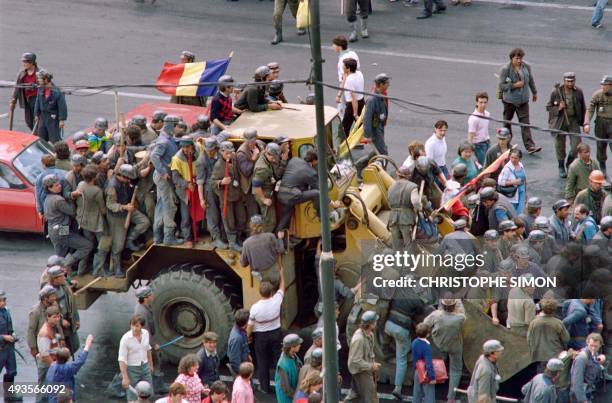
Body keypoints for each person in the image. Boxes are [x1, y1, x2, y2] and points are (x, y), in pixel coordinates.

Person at [42, 174, 94, 272]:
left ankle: (55, 272)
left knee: (59, 255)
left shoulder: (48, 198)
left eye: (59, 184)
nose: (60, 186)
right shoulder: (58, 200)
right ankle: (66, 264)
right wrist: (71, 196)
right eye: (56, 185)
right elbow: (72, 211)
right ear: (49, 188)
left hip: (53, 230)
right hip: (61, 230)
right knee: (87, 246)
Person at [106, 164, 150, 277]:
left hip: (128, 208)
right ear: (121, 176)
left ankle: (130, 240)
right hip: (117, 215)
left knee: (144, 222)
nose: (129, 180)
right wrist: (124, 207)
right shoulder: (112, 186)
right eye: (127, 178)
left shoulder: (125, 180)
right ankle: (116, 269)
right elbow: (110, 205)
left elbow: (135, 169)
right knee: (118, 246)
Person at [247, 270, 285, 394]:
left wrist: (248, 337)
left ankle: (264, 388)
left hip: (261, 337)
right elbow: (282, 288)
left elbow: (250, 326)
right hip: (276, 333)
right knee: (279, 360)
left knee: (262, 362)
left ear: (260, 293)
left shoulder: (255, 308)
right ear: (271, 292)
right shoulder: (277, 300)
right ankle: (283, 385)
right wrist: (282, 274)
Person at [497, 48, 541, 154]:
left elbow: (530, 80)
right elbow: (501, 86)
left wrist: (534, 92)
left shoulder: (526, 67)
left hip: (523, 100)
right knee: (507, 122)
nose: (519, 60)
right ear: (512, 58)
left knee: (525, 123)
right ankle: (506, 144)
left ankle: (530, 146)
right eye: (517, 58)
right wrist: (514, 85)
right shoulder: (505, 69)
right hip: (509, 101)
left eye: (520, 58)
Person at [423, 298, 465, 403]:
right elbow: (463, 312)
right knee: (455, 370)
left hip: (439, 344)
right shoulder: (460, 318)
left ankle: (430, 394)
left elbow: (425, 324)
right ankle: (451, 398)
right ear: (454, 306)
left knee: (433, 366)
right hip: (455, 346)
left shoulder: (436, 314)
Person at [546, 72, 586, 178]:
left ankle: (569, 163)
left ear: (575, 81)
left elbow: (583, 107)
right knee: (560, 144)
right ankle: (561, 166)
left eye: (572, 81)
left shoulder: (578, 92)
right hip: (560, 120)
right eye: (568, 81)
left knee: (576, 145)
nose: (570, 83)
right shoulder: (556, 92)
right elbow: (548, 107)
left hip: (573, 120)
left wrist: (584, 122)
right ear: (564, 81)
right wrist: (558, 108)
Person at [150, 115, 182, 245]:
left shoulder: (166, 138)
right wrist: (163, 172)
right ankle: (168, 237)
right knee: (169, 206)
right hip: (164, 179)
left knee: (161, 206)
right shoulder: (163, 141)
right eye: (177, 125)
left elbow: (173, 143)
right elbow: (154, 156)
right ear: (171, 125)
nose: (178, 128)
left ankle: (157, 237)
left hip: (162, 178)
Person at [170, 136, 203, 248]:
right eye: (183, 147)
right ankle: (187, 238)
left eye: (187, 147)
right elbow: (175, 178)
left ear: (192, 146)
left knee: (197, 212)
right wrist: (187, 184)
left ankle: (197, 234)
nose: (185, 149)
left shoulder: (198, 149)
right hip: (184, 190)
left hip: (197, 185)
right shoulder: (177, 159)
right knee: (185, 216)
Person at [211, 141, 244, 251]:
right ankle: (232, 243)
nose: (229, 155)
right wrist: (221, 182)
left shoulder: (234, 159)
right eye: (227, 153)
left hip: (237, 195)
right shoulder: (218, 165)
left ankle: (238, 238)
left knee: (241, 217)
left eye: (231, 153)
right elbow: (212, 182)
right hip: (226, 198)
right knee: (229, 220)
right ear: (221, 152)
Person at [345, 310, 380, 403]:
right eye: (375, 321)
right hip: (360, 372)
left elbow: (369, 354)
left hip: (365, 370)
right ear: (371, 324)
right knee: (371, 399)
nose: (376, 323)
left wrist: (373, 364)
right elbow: (355, 361)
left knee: (354, 396)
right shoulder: (359, 339)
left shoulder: (370, 335)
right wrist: (371, 366)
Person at [197, 138, 226, 248]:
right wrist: (201, 199)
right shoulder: (201, 161)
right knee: (212, 214)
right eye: (208, 150)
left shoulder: (219, 153)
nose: (209, 152)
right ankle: (216, 238)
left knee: (223, 211)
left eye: (212, 150)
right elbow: (200, 182)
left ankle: (223, 235)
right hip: (209, 189)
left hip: (221, 185)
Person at [45, 335, 93, 403]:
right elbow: (80, 361)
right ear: (68, 359)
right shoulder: (67, 369)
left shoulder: (52, 366)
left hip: (52, 399)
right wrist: (87, 346)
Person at [118, 314, 154, 403]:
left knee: (149, 391)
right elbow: (122, 359)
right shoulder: (125, 339)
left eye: (137, 326)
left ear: (142, 326)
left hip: (145, 366)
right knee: (132, 394)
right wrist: (125, 377)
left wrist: (150, 364)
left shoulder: (145, 333)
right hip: (132, 369)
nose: (134, 328)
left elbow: (148, 349)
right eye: (132, 325)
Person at [253, 142, 287, 232]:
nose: (275, 159)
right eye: (273, 157)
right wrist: (264, 199)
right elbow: (256, 186)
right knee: (270, 221)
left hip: (267, 189)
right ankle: (265, 240)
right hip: (263, 193)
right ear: (268, 154)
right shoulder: (262, 168)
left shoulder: (265, 154)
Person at [527, 299, 569, 371]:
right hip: (555, 354)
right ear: (554, 310)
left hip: (539, 355)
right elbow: (566, 338)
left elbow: (529, 339)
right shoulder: (557, 323)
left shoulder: (534, 322)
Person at [240, 215, 284, 284]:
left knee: (266, 292)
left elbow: (243, 264)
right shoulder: (270, 236)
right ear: (262, 225)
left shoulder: (246, 243)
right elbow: (281, 250)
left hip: (260, 276)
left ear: (251, 227)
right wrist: (280, 239)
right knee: (277, 292)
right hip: (274, 273)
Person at [387, 167, 422, 251]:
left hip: (392, 219)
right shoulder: (412, 186)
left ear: (397, 175)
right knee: (408, 243)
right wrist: (420, 209)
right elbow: (415, 202)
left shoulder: (391, 187)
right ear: (409, 176)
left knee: (396, 244)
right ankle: (409, 263)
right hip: (406, 219)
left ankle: (398, 262)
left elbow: (389, 201)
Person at [584, 75, 612, 174]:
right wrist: (586, 123)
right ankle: (603, 170)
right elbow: (590, 109)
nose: (602, 87)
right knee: (600, 147)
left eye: (605, 85)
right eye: (602, 85)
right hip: (601, 123)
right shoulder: (598, 95)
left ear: (610, 85)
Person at [236, 128, 263, 226]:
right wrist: (253, 158)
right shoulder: (241, 153)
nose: (253, 143)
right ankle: (253, 234)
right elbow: (246, 171)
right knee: (253, 212)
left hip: (259, 183)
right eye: (251, 141)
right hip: (249, 187)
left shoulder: (258, 145)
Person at [134, 287, 161, 381]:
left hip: (145, 341)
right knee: (152, 362)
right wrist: (153, 345)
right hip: (143, 342)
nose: (152, 296)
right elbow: (145, 332)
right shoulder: (141, 312)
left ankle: (156, 380)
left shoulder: (145, 306)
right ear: (145, 298)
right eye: (150, 295)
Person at [37, 306, 64, 401]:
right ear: (48, 317)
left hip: (53, 362)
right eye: (54, 317)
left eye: (58, 317)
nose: (57, 319)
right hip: (47, 365)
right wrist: (55, 367)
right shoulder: (45, 333)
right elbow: (45, 356)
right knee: (44, 391)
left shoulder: (54, 327)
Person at [33, 69, 67, 143]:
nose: (38, 81)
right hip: (43, 116)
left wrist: (62, 119)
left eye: (40, 79)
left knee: (54, 139)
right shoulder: (40, 89)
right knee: (41, 137)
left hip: (53, 119)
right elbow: (37, 101)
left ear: (46, 80)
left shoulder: (57, 92)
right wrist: (36, 114)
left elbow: (62, 106)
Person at [570, 333, 606, 402]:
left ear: (600, 345)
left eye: (596, 346)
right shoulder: (582, 358)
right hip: (580, 395)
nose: (593, 348)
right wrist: (582, 400)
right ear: (587, 343)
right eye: (591, 345)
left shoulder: (594, 354)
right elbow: (577, 381)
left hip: (589, 391)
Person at [0, 291, 22, 402]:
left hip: (9, 348)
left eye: (4, 300)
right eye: (0, 300)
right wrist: (3, 337)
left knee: (11, 371)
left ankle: (9, 395)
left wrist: (12, 335)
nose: (3, 302)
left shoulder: (6, 311)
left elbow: (10, 327)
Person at [10, 52, 39, 130]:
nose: (24, 64)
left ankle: (38, 135)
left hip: (37, 100)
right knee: (29, 121)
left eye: (26, 62)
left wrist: (34, 86)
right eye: (23, 62)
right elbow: (17, 87)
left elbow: (46, 86)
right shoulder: (22, 73)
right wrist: (13, 99)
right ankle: (35, 134)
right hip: (27, 99)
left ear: (32, 62)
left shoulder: (39, 73)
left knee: (37, 120)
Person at [363, 73, 390, 155]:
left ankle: (359, 165)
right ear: (381, 84)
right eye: (387, 83)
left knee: (377, 152)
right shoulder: (372, 100)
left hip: (380, 127)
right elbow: (367, 118)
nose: (389, 85)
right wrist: (368, 135)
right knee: (383, 153)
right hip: (375, 130)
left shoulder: (381, 95)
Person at [338, 58, 365, 137]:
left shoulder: (350, 80)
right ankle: (360, 140)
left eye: (344, 66)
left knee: (345, 126)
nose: (342, 67)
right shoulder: (359, 74)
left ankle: (344, 144)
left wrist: (355, 113)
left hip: (352, 105)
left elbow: (354, 98)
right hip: (361, 101)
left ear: (348, 68)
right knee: (360, 125)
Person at [411, 322, 435, 403]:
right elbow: (428, 363)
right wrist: (432, 377)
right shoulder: (426, 346)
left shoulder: (414, 342)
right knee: (429, 395)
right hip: (425, 372)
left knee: (417, 394)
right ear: (428, 334)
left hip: (417, 371)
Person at [274, 333, 303, 403]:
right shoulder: (283, 365)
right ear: (292, 347)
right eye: (298, 344)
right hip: (287, 398)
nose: (300, 345)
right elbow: (285, 387)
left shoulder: (293, 355)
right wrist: (296, 396)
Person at [498, 148, 527, 213]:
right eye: (512, 157)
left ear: (520, 158)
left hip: (521, 193)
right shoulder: (507, 168)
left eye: (516, 158)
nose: (513, 160)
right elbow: (500, 181)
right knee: (513, 213)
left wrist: (525, 193)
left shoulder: (521, 165)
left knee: (521, 212)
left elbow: (524, 179)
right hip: (513, 195)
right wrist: (513, 182)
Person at [467, 92, 492, 165]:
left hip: (487, 143)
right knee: (482, 167)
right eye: (481, 102)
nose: (483, 105)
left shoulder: (487, 114)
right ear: (477, 102)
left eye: (485, 102)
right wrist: (471, 152)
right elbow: (470, 137)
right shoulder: (473, 118)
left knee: (489, 164)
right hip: (478, 146)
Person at [226, 309, 250, 375]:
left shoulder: (240, 330)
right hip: (242, 371)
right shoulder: (237, 338)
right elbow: (234, 360)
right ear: (245, 323)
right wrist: (242, 374)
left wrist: (248, 355)